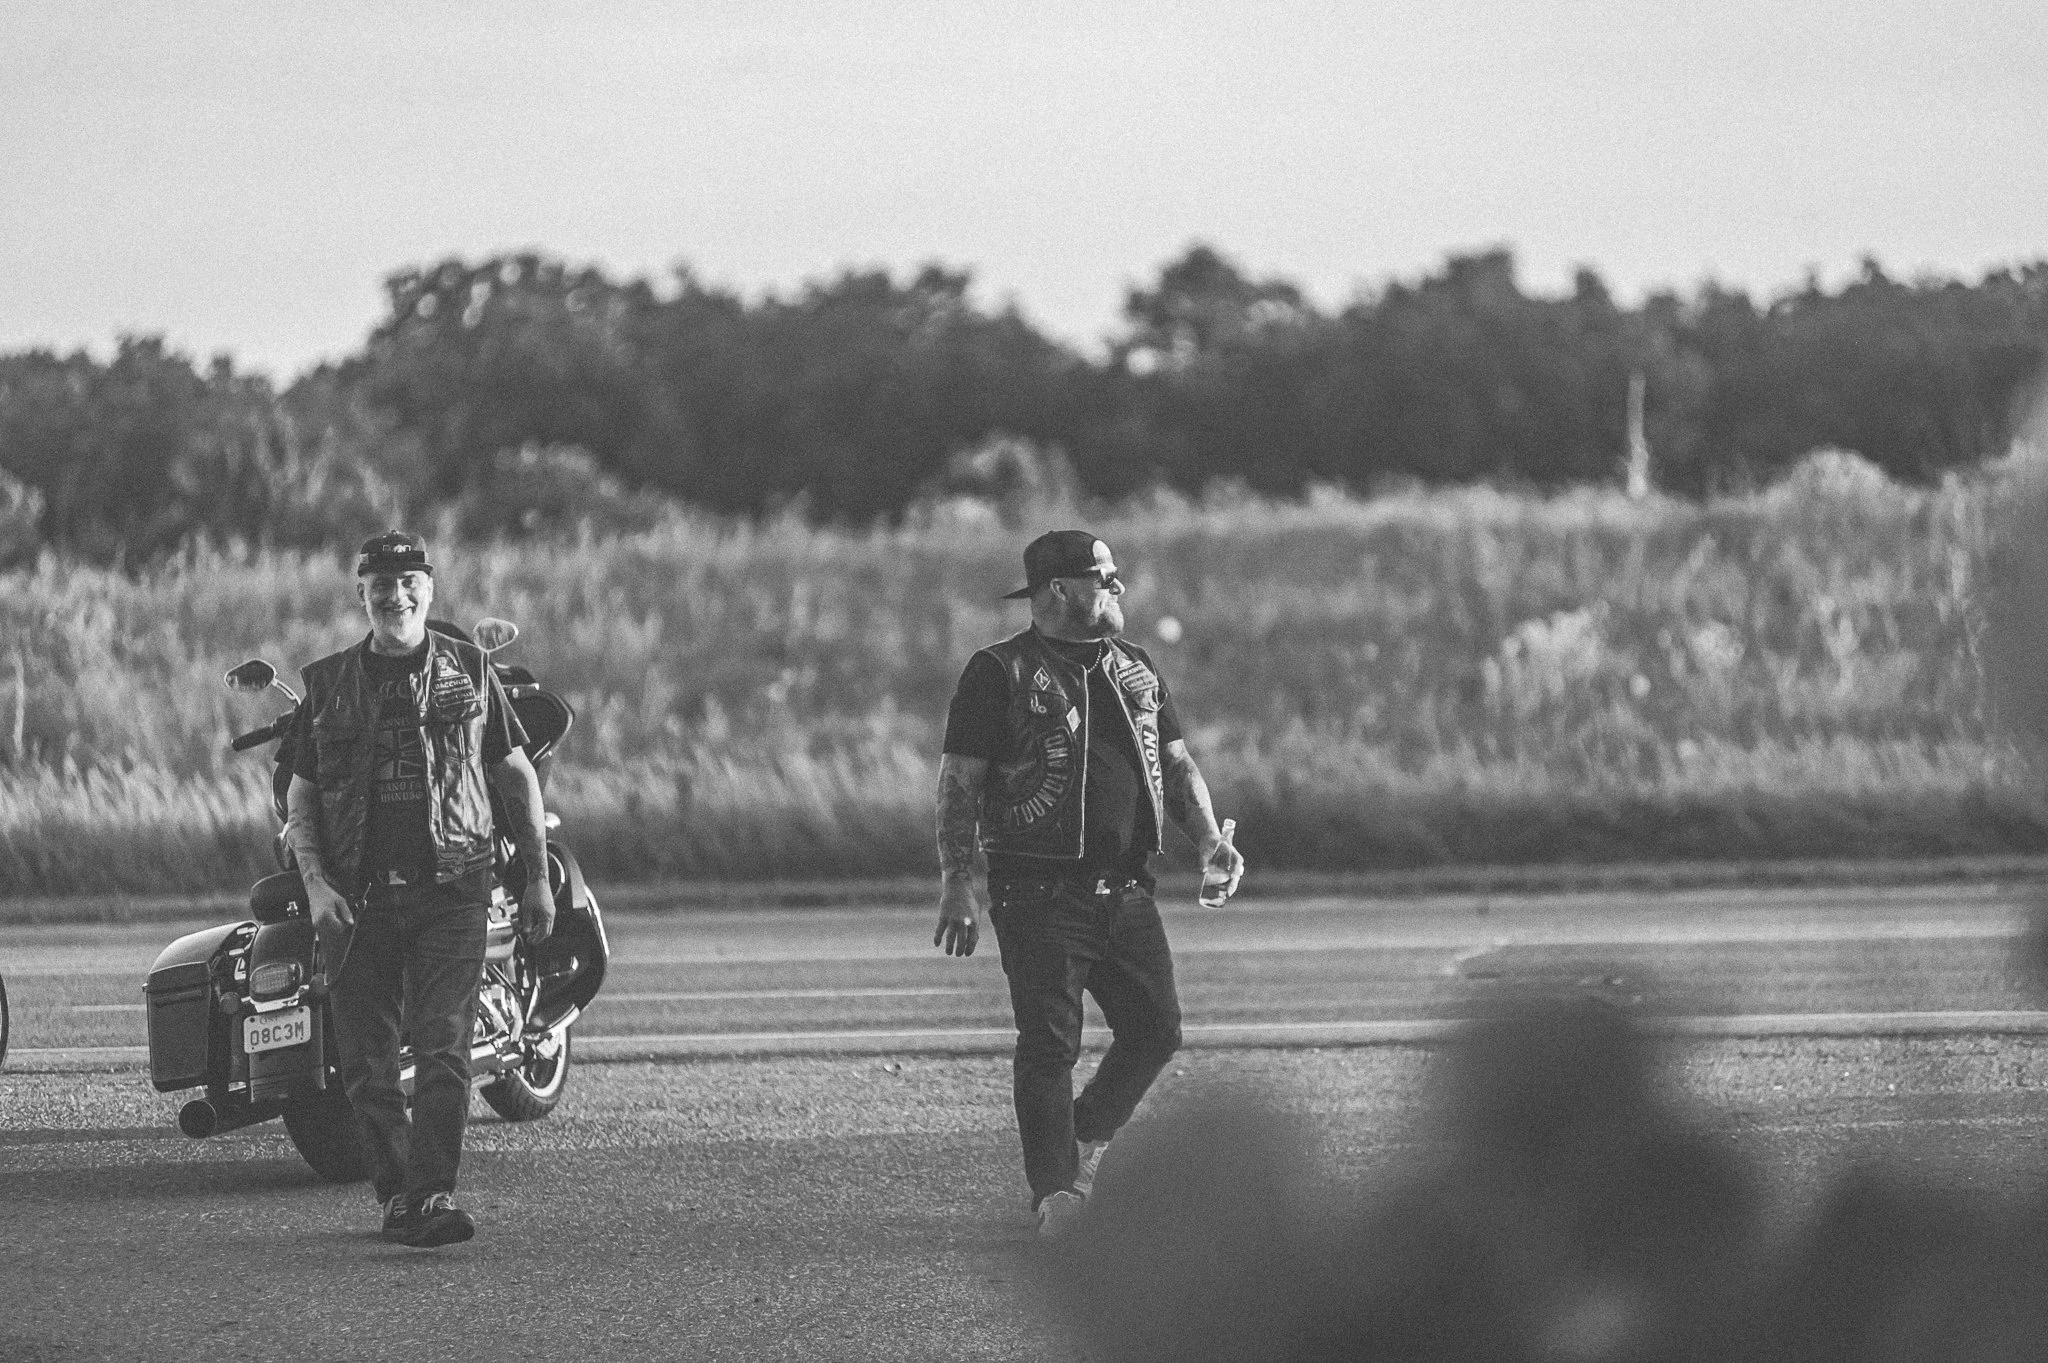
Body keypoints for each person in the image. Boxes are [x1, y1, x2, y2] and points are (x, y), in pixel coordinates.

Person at [934, 529, 1245, 1237]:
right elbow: (959, 782)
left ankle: (1075, 1138)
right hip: (1036, 893)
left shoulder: (1135, 665)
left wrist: (1207, 842)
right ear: (1059, 592)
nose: (1119, 587)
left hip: (1128, 889)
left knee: (1156, 1028)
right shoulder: (998, 671)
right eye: (1106, 577)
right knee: (1049, 1044)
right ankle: (1056, 1195)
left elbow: (1176, 763)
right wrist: (958, 880)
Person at [284, 531, 555, 1249]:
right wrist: (315, 888)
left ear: (430, 589)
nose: (395, 593)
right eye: (381, 581)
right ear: (361, 593)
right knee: (367, 1067)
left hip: (454, 888)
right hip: (358, 899)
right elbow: (301, 800)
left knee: (442, 1049)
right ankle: (402, 1197)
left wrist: (533, 875)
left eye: (409, 580)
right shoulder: (327, 683)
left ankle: (430, 1192)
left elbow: (515, 772)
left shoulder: (467, 667)